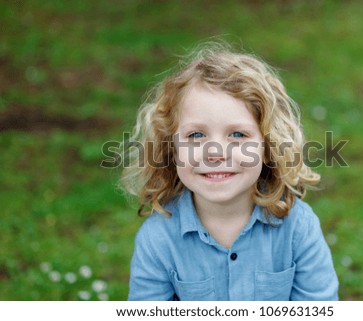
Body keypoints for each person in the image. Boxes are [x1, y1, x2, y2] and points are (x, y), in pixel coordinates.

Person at [121, 43, 339, 300]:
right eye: (196, 135)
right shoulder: (158, 238)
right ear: (171, 148)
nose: (216, 152)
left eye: (237, 134)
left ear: (268, 146)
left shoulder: (298, 228)